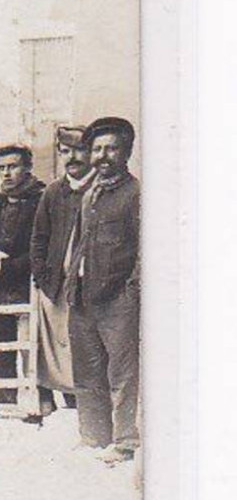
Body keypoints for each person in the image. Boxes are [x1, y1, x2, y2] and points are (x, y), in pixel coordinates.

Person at [66, 116, 140, 457]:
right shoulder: (89, 194)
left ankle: (126, 442)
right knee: (87, 371)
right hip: (83, 297)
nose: (102, 156)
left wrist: (131, 291)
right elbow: (79, 244)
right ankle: (94, 438)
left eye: (111, 148)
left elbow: (145, 250)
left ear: (126, 153)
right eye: (97, 149)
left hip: (118, 300)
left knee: (122, 374)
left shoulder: (136, 194)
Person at [0, 143, 50, 413]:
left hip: (28, 287)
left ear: (28, 168)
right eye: (1, 168)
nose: (6, 173)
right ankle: (5, 406)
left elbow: (44, 249)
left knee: (34, 353)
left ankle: (41, 409)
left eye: (13, 167)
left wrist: (8, 268)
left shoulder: (43, 199)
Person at [30, 126, 94, 405]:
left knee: (85, 351)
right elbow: (39, 238)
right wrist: (44, 277)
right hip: (56, 287)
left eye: (79, 150)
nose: (72, 157)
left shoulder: (99, 188)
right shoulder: (54, 191)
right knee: (56, 350)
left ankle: (86, 409)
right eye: (66, 151)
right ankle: (61, 406)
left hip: (89, 289)